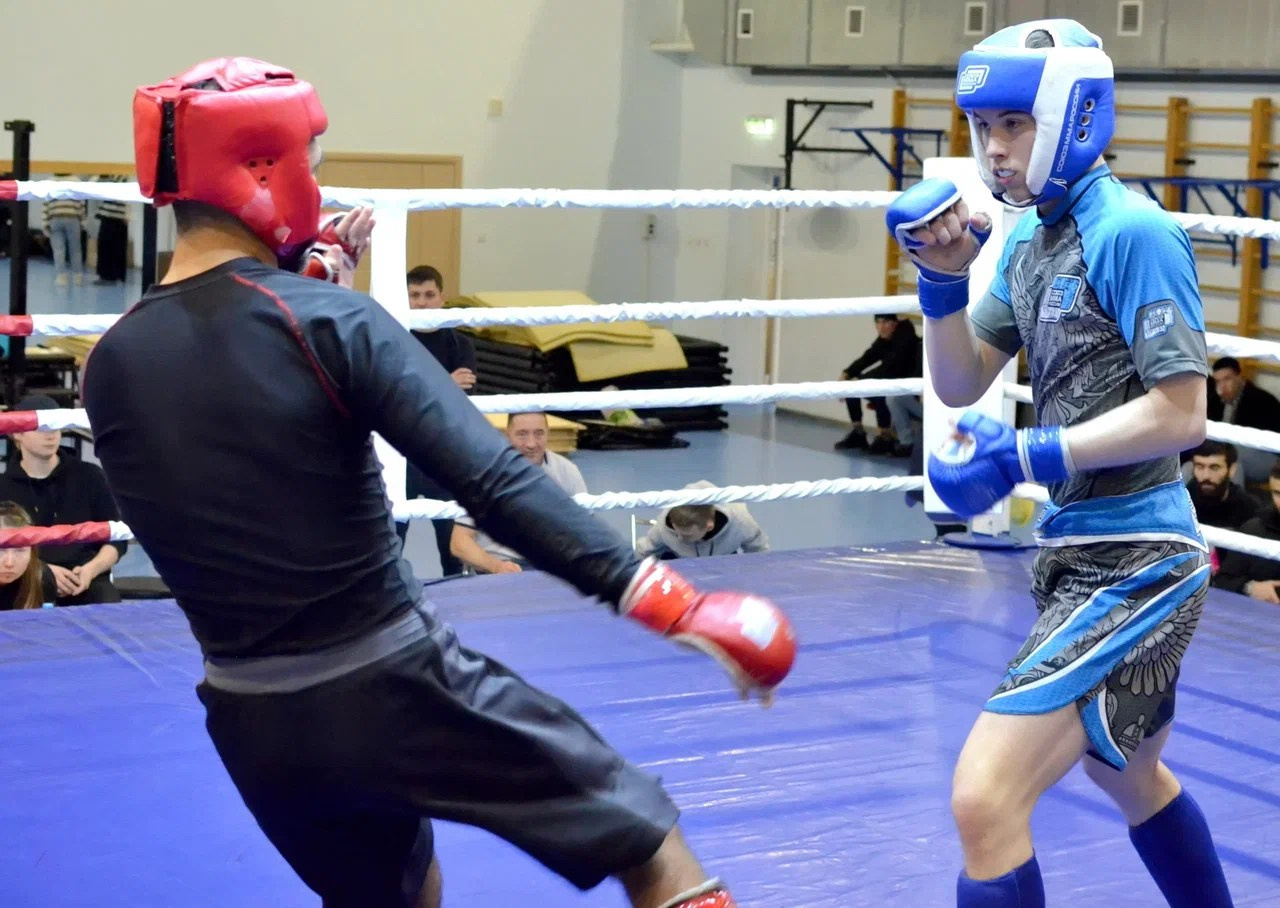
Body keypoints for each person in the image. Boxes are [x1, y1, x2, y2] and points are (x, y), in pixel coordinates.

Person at [82, 58, 795, 908]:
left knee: (399, 893)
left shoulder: (112, 361)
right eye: (308, 153)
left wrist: (300, 294)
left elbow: (236, 443)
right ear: (263, 169)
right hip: (392, 684)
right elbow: (492, 477)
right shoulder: (330, 324)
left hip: (251, 722)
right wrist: (672, 602)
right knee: (650, 844)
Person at [886, 20, 1233, 908]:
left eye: (1014, 125)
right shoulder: (1038, 243)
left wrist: (1035, 450)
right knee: (1131, 778)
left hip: (1138, 566)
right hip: (1079, 553)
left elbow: (1184, 412)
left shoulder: (1132, 233)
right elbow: (962, 382)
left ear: (1072, 116)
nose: (995, 151)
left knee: (983, 797)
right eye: (983, 128)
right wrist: (943, 282)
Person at [0, 395, 126, 605]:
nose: (50, 435)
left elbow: (116, 538)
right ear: (17, 433)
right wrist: (43, 571)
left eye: (55, 427)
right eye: (41, 428)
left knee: (107, 606)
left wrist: (90, 570)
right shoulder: (3, 487)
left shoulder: (90, 476)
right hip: (27, 580)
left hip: (86, 578)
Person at [395, 264, 478, 575]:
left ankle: (462, 617)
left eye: (429, 294)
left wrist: (418, 385)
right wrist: (444, 382)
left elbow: (461, 399)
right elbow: (390, 395)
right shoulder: (394, 339)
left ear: (442, 298)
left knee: (452, 549)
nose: (421, 302)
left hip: (444, 457)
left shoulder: (461, 345)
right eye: (414, 295)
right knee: (391, 543)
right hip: (400, 458)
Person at [449, 412, 585, 574]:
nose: (531, 444)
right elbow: (459, 543)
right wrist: (496, 566)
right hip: (497, 568)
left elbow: (585, 534)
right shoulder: (483, 474)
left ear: (548, 433)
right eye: (522, 434)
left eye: (539, 433)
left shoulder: (567, 472)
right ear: (507, 436)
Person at [834, 313, 921, 453]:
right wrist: (846, 373)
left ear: (895, 324)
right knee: (851, 389)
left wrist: (860, 380)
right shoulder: (884, 340)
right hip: (889, 382)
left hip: (904, 388)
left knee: (881, 394)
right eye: (878, 323)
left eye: (885, 323)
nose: (881, 327)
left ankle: (885, 438)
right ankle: (858, 433)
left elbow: (890, 369)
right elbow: (867, 358)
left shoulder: (907, 341)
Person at [636, 481, 769, 559]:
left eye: (687, 535)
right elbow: (644, 551)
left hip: (723, 560)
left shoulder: (740, 522)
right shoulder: (664, 526)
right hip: (679, 563)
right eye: (677, 533)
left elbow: (759, 550)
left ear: (709, 526)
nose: (680, 539)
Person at [1206, 356, 1280, 486]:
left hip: (1267, 457)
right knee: (1197, 461)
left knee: (1232, 461)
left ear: (1239, 377)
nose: (1222, 386)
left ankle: (1233, 504)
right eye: (1217, 381)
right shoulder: (1215, 400)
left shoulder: (1262, 400)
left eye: (1227, 379)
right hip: (1229, 454)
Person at [1213, 461, 1280, 603]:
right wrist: (1249, 588)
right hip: (1261, 619)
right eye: (1277, 493)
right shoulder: (1255, 529)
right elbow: (1223, 580)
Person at [1185, 441, 1259, 530]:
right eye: (1200, 466)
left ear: (1232, 470)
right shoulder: (1179, 501)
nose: (1206, 476)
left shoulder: (1250, 510)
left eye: (1214, 468)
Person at [0, 501, 57, 610]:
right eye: (0, 550)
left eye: (20, 550)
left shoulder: (41, 577)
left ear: (32, 551)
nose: (9, 563)